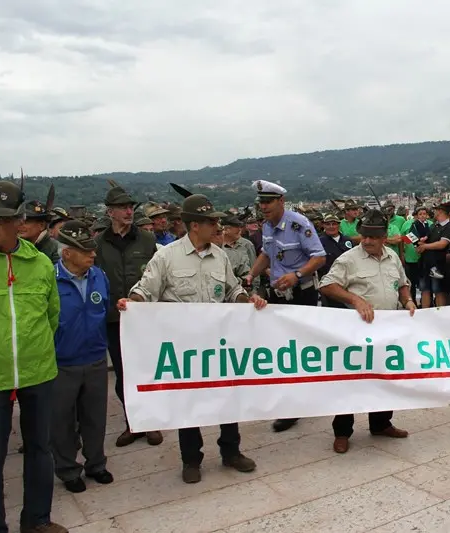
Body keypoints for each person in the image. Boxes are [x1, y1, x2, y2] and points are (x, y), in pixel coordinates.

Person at [118, 193, 267, 483]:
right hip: (182, 346)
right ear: (194, 225)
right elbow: (145, 290)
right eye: (211, 222)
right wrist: (131, 302)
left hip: (217, 343)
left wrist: (247, 300)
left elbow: (232, 290)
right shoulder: (167, 256)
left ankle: (231, 451)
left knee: (227, 396)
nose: (217, 227)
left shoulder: (220, 255)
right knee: (188, 402)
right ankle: (191, 459)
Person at [0, 181, 67, 533]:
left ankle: (37, 519)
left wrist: (35, 350)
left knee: (41, 449)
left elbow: (51, 317)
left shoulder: (41, 264)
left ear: (19, 221)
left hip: (38, 371)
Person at [319, 210, 414, 453]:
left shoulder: (392, 256)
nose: (368, 241)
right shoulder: (349, 259)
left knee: (384, 377)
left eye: (373, 237)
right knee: (351, 381)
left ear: (384, 237)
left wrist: (408, 301)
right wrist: (355, 300)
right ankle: (342, 432)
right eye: (364, 236)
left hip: (387, 330)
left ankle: (381, 424)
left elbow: (402, 284)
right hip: (356, 331)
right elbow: (327, 284)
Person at [246, 180, 327, 433]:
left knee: (302, 349)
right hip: (279, 297)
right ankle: (293, 400)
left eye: (268, 202)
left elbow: (319, 257)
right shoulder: (267, 226)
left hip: (301, 294)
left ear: (281, 201)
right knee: (284, 349)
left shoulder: (299, 224)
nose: (264, 207)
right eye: (261, 203)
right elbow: (267, 254)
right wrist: (250, 275)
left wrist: (297, 275)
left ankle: (297, 405)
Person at [95, 185, 163, 448]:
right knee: (123, 374)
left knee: (149, 369)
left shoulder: (147, 241)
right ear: (110, 212)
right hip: (114, 320)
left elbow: (159, 277)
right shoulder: (100, 244)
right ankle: (133, 422)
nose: (128, 211)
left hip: (145, 318)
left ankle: (152, 422)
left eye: (131, 207)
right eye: (122, 207)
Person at [51, 221, 114, 494]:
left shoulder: (99, 276)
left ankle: (96, 464)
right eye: (85, 250)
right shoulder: (50, 279)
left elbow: (105, 307)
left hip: (96, 358)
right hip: (62, 363)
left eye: (93, 249)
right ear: (67, 253)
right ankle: (68, 470)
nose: (92, 255)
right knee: (63, 420)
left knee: (95, 417)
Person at [416, 202, 450, 308]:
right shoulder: (433, 226)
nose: (433, 212)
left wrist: (425, 246)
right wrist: (420, 244)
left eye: (435, 210)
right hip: (425, 264)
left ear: (440, 211)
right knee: (425, 289)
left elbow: (442, 244)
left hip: (439, 265)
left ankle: (440, 317)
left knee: (439, 291)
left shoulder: (449, 227)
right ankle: (424, 315)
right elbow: (426, 240)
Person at [318, 213, 354, 308]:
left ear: (339, 225)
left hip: (348, 282)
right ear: (323, 225)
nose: (331, 227)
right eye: (328, 224)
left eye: (334, 224)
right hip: (329, 284)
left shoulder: (347, 241)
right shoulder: (319, 242)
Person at [19, 199, 62, 264]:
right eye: (21, 221)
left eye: (26, 222)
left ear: (41, 225)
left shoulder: (56, 249)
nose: (21, 225)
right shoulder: (18, 245)